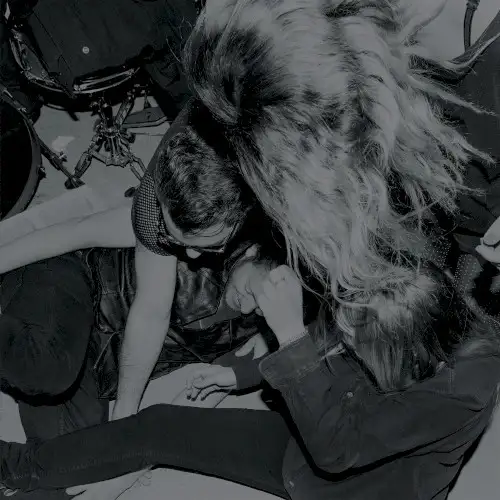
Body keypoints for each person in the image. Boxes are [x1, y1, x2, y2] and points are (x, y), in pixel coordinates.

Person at [0, 262, 499, 500]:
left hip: (356, 483)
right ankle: (15, 467)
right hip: (313, 435)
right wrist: (240, 372)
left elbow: (337, 451)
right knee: (158, 426)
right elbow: (334, 334)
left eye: (355, 341)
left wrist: (290, 337)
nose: (340, 340)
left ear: (399, 351)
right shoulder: (409, 312)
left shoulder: (459, 394)